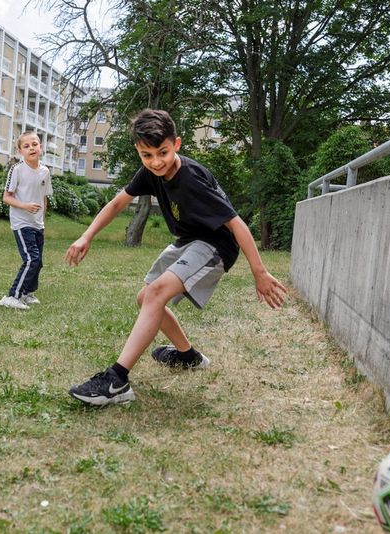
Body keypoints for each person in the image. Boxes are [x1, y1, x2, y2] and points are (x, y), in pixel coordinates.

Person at [65, 109, 287, 406]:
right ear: (138, 151)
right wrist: (86, 236)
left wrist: (259, 272)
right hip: (188, 241)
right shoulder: (149, 172)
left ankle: (116, 381)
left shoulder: (191, 178)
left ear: (177, 144)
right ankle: (188, 356)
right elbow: (118, 203)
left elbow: (237, 224)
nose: (156, 162)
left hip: (216, 245)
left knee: (156, 292)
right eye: (147, 155)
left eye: (163, 152)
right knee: (145, 298)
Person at [0, 131, 53, 310]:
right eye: (26, 146)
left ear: (41, 147)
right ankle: (12, 296)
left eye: (34, 144)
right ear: (20, 151)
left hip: (38, 224)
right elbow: (6, 197)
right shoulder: (17, 170)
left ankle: (27, 293)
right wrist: (25, 206)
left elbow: (44, 198)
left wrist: (42, 220)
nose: (31, 148)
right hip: (22, 223)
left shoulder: (45, 171)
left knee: (38, 262)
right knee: (31, 259)